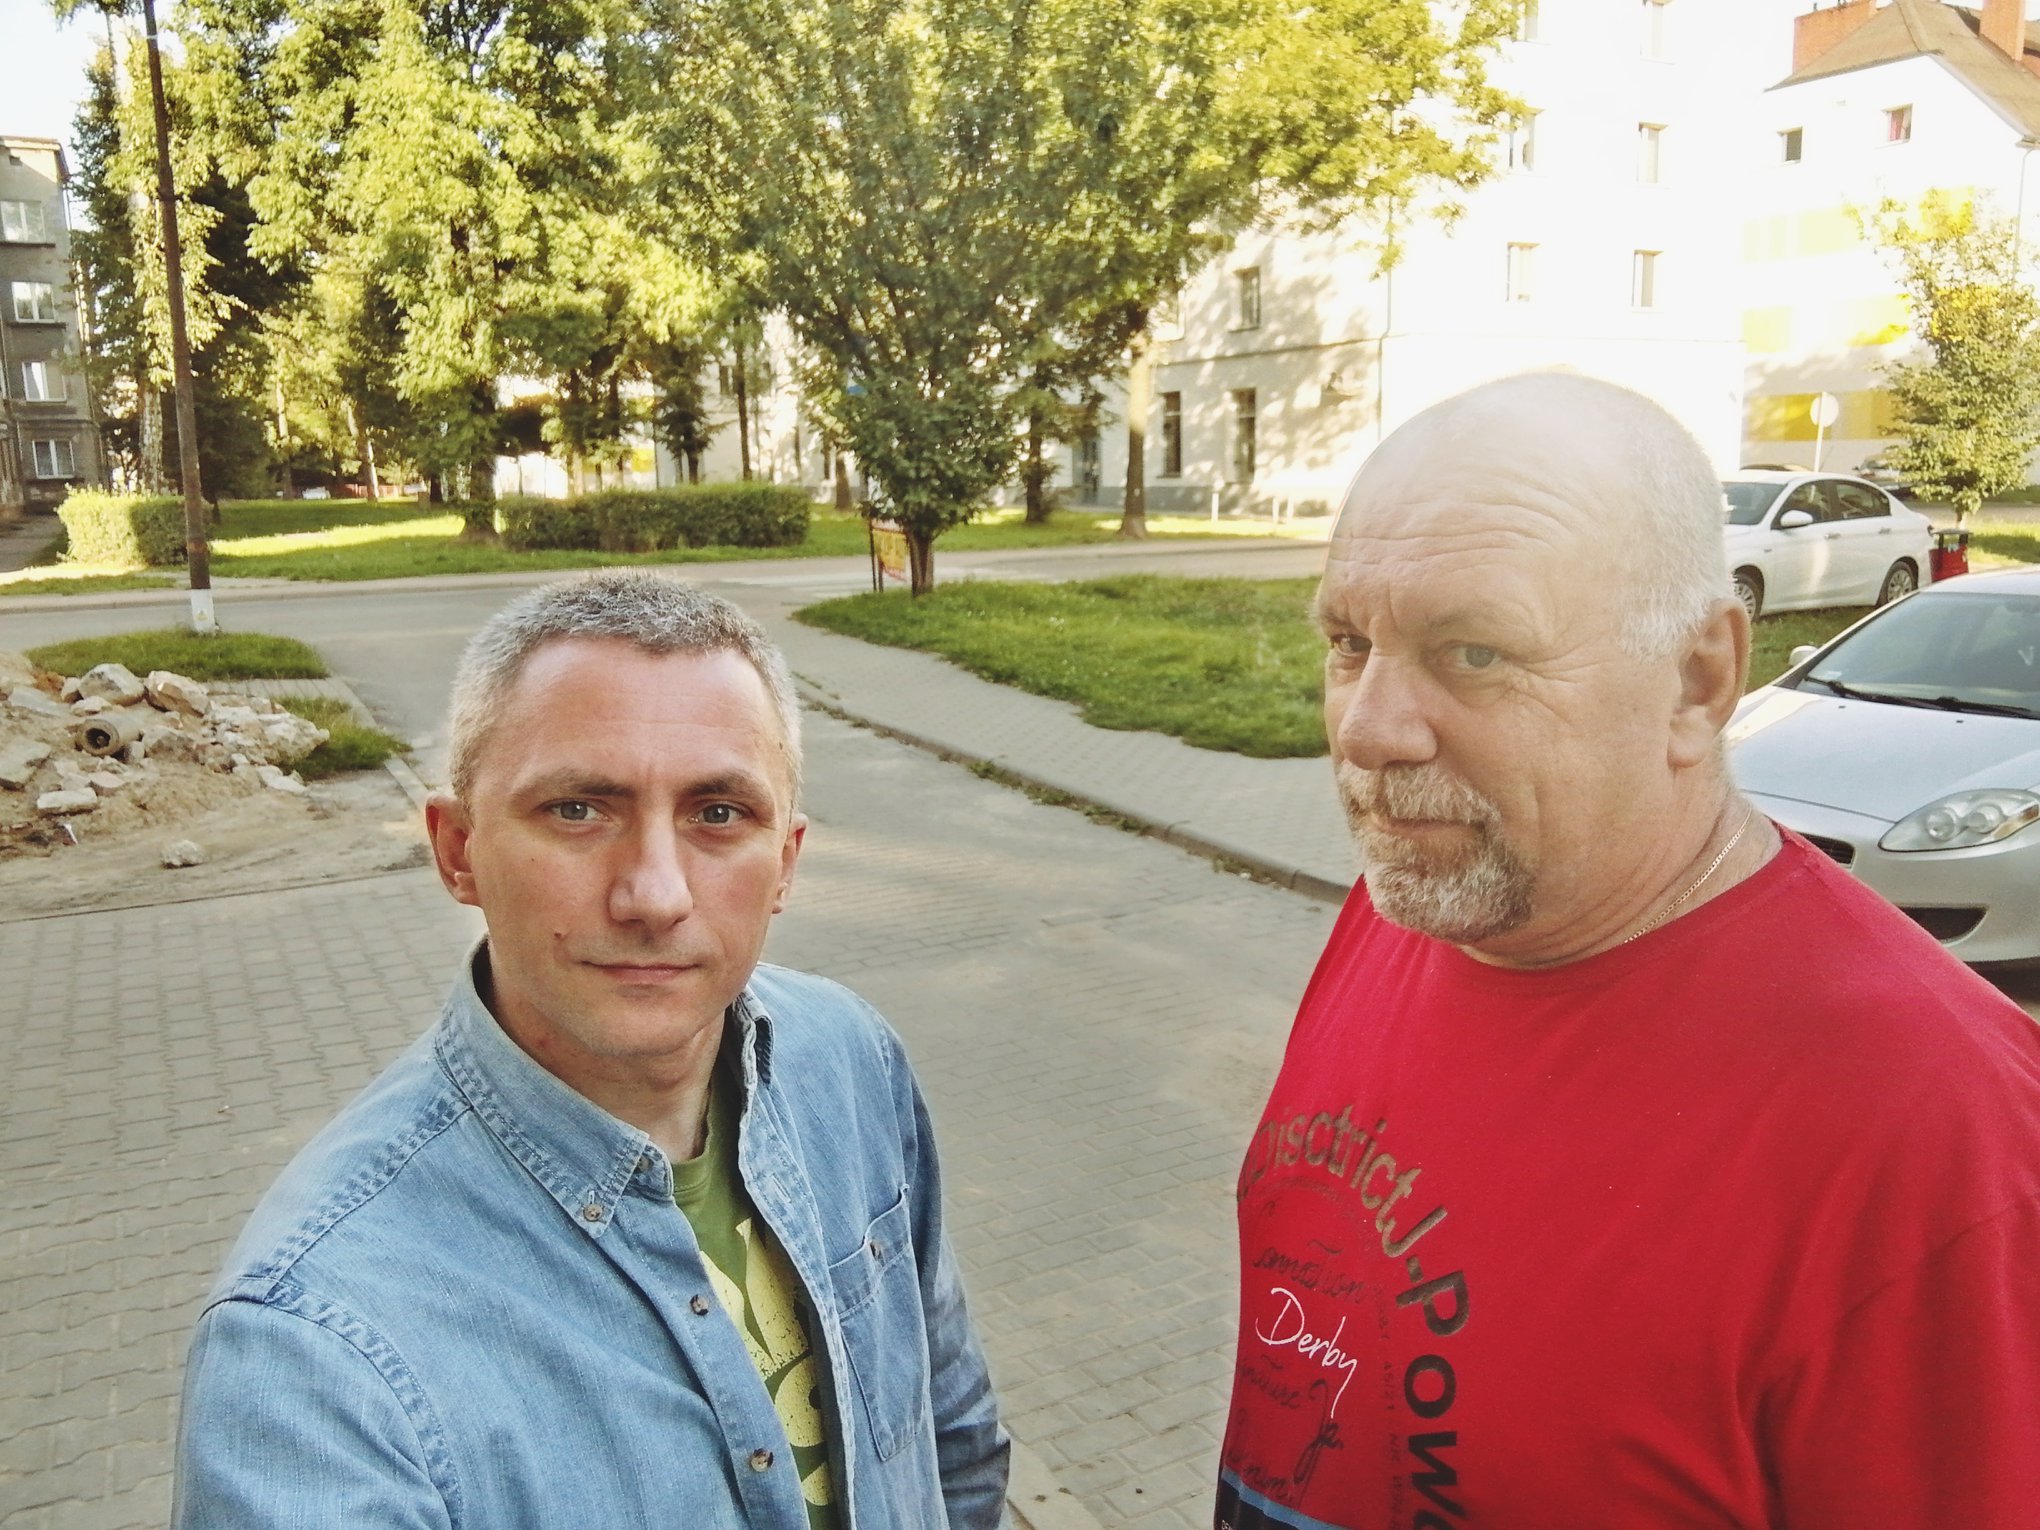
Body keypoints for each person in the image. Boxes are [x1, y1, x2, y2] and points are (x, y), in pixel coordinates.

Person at [1216, 373, 2040, 1529]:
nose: (1368, 730)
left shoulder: (1942, 1138)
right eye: (1350, 643)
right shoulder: (1405, 910)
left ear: (1698, 681)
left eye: (1474, 653)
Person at [174, 571, 1008, 1529]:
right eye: (578, 810)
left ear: (784, 861)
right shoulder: (311, 1353)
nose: (654, 896)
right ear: (457, 850)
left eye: (718, 814)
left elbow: (952, 1433)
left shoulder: (848, 1058)